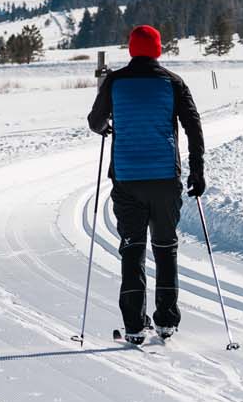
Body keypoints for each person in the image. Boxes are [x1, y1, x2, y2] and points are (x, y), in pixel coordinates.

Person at [86, 24, 205, 345]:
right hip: (165, 177)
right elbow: (193, 126)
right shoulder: (173, 82)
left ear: (131, 49)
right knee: (165, 247)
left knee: (132, 249)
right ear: (157, 50)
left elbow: (94, 121)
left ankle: (134, 325)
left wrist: (106, 126)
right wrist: (197, 170)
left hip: (127, 177)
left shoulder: (115, 81)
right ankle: (166, 320)